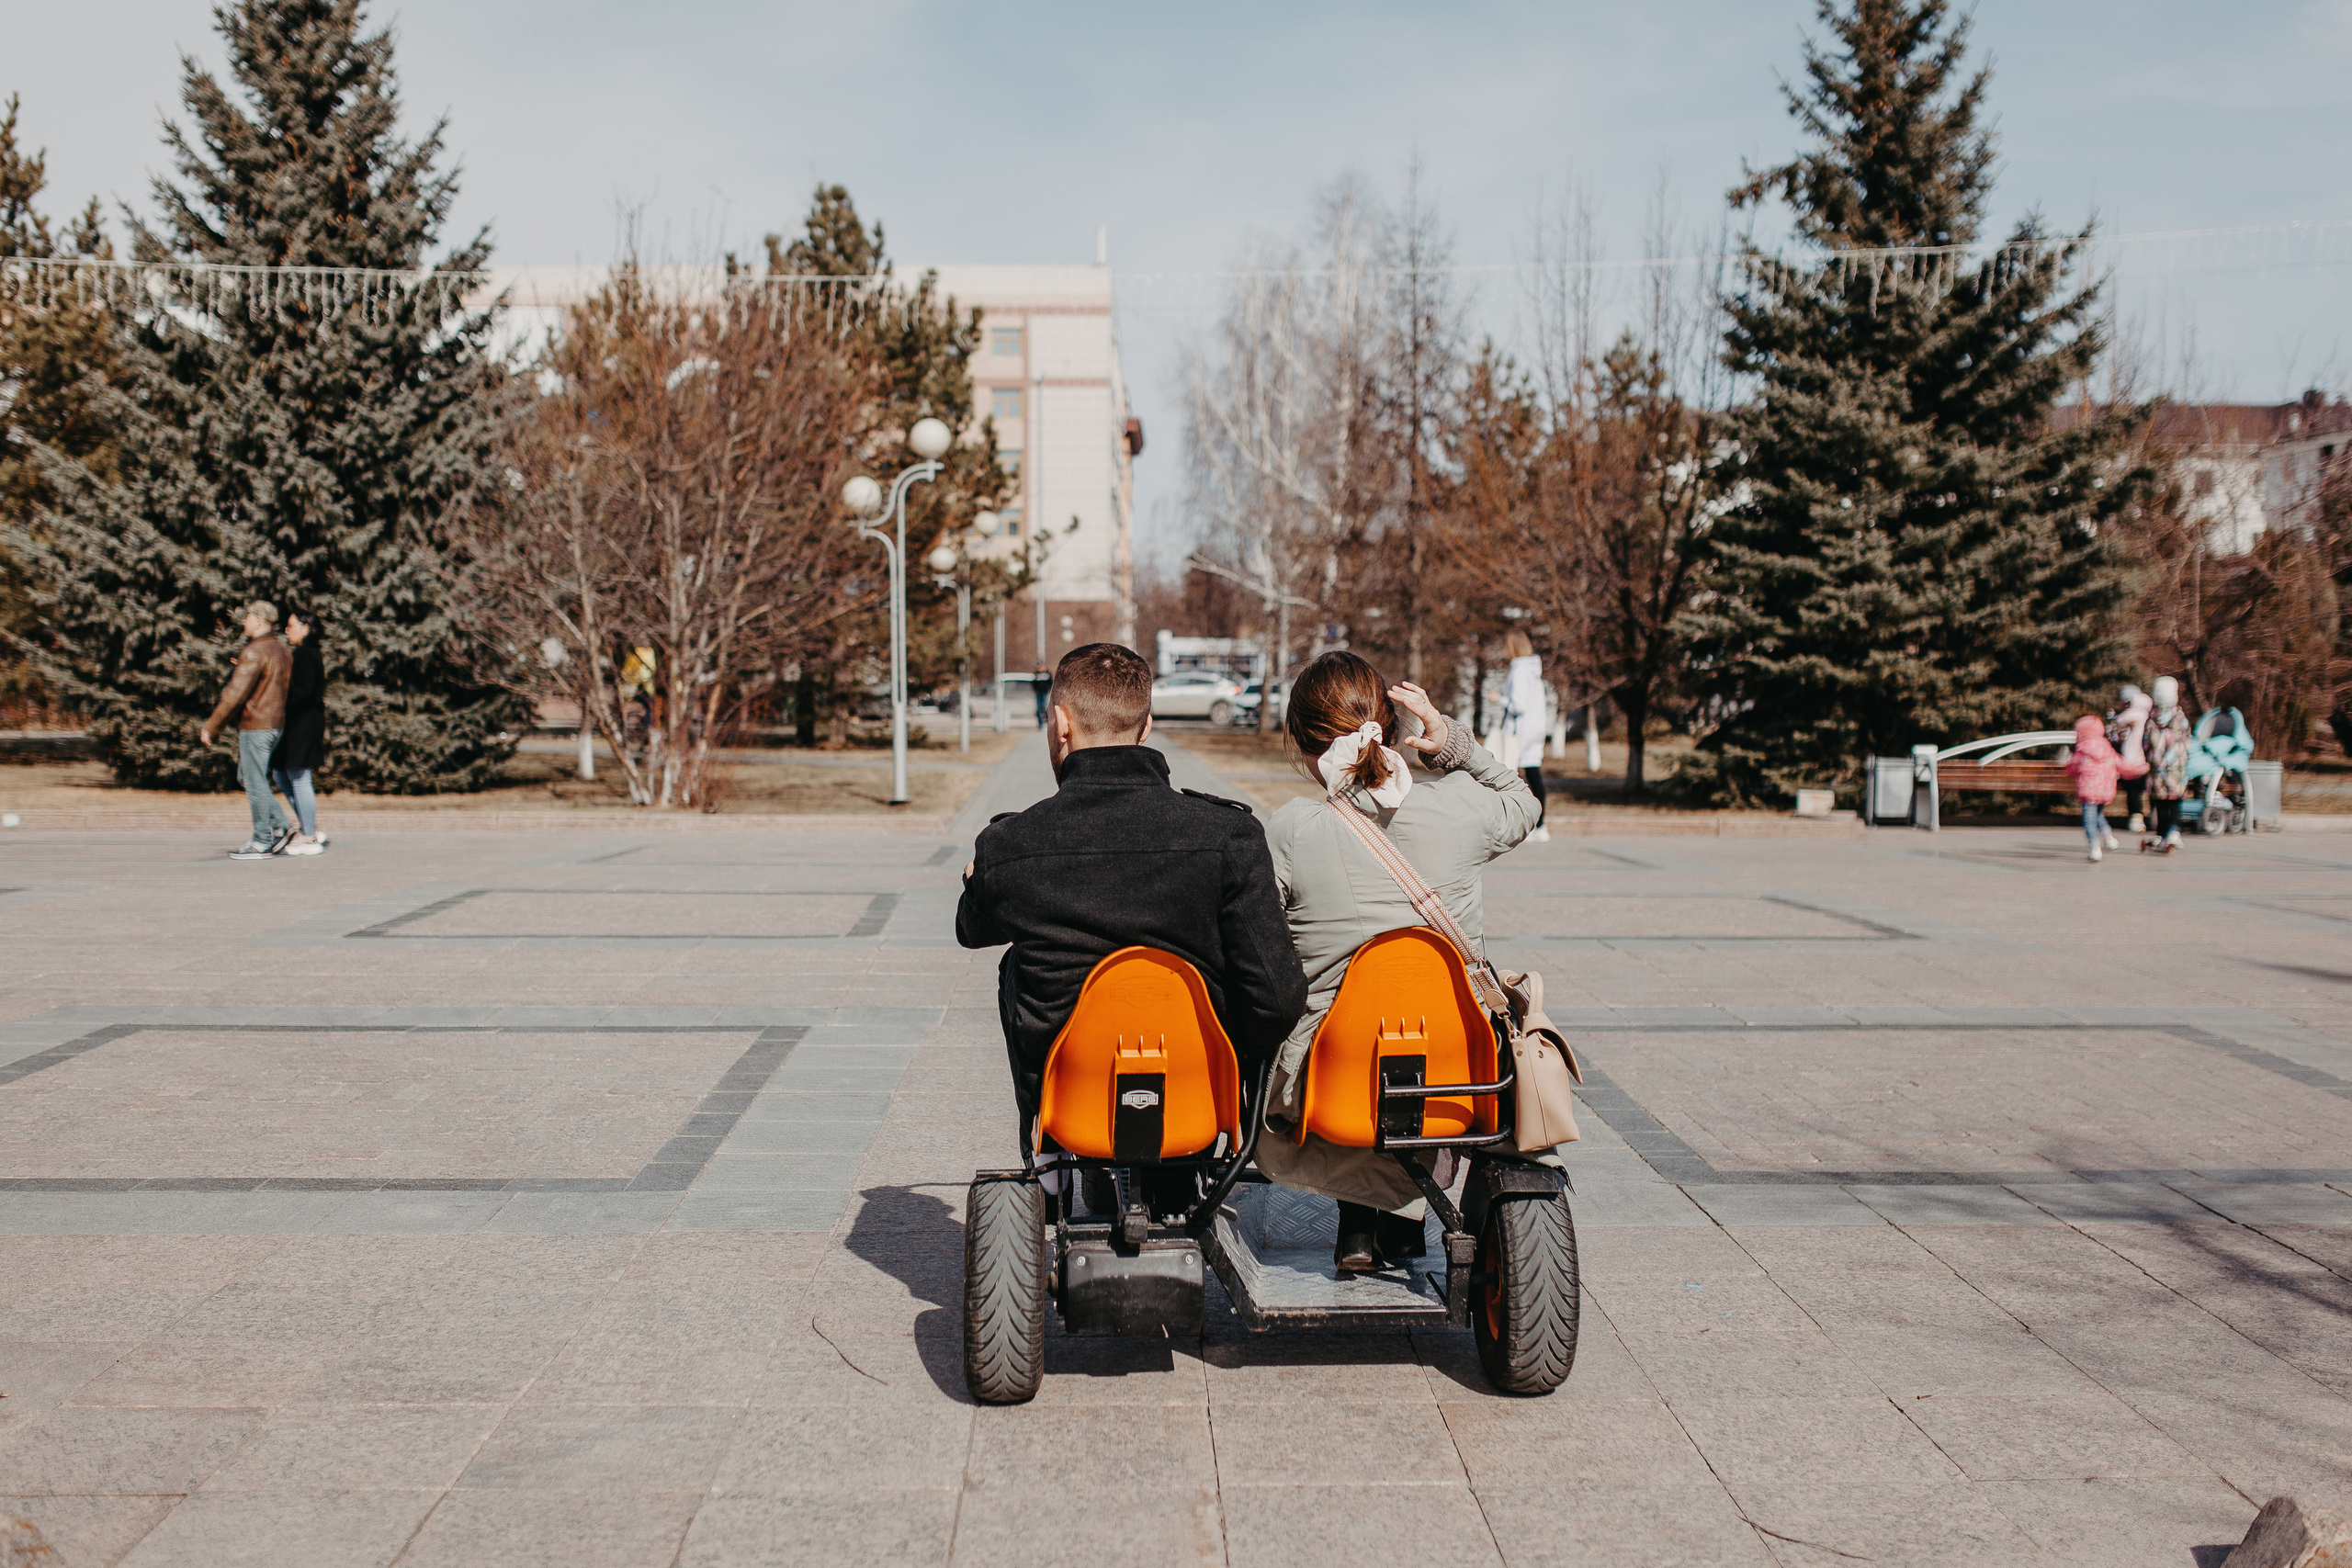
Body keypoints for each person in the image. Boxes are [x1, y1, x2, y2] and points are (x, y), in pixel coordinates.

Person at [956, 643, 1307, 1205]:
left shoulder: (1011, 842)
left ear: (1060, 723)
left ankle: (1047, 1151)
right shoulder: (1229, 835)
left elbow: (971, 930)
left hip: (1072, 1087)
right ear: (1147, 726)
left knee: (1016, 965)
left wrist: (981, 878)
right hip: (1194, 1085)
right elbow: (1278, 996)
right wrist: (1233, 1059)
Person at [1259, 650, 1539, 1272]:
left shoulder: (1291, 830)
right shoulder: (1460, 807)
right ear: (1389, 727)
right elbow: (1524, 802)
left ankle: (1362, 1223)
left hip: (1332, 1080)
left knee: (1334, 1025)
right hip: (1457, 1073)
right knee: (1412, 1029)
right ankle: (1396, 1218)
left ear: (1300, 742)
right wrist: (1451, 743)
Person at [198, 600, 294, 861]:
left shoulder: (255, 651)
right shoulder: (281, 650)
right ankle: (282, 827)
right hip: (275, 725)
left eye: (248, 617)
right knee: (249, 777)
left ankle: (262, 841)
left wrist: (211, 726)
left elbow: (235, 694)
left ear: (259, 621)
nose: (243, 621)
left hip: (257, 726)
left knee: (253, 782)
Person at [269, 607, 329, 856]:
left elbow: (302, 692)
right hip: (298, 723)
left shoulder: (305, 655)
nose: (286, 630)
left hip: (302, 723)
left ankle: (309, 836)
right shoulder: (307, 654)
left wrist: (278, 702)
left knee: (299, 776)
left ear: (306, 628)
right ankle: (309, 826)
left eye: (291, 625)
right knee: (281, 774)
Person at [1497, 629, 1551, 843]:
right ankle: (1540, 825)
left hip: (1520, 732)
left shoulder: (1519, 671)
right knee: (1534, 776)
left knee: (1507, 778)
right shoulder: (1533, 671)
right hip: (1535, 729)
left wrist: (1499, 699)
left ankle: (1517, 824)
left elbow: (1518, 705)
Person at [2141, 675, 2193, 855]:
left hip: (2158, 768)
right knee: (2175, 800)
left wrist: (2151, 756)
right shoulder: (2181, 718)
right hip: (2177, 768)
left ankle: (2162, 833)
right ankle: (2174, 831)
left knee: (2160, 801)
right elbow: (2188, 742)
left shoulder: (2151, 719)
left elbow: (2145, 743)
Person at [2064, 714, 2120, 863]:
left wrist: (2068, 769)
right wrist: (2139, 768)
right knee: (2098, 814)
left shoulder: (2082, 749)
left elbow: (2072, 766)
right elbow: (2120, 763)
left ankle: (2095, 848)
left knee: (2089, 820)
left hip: (2089, 791)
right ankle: (2109, 838)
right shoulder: (2107, 747)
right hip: (2105, 791)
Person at [2109, 684, 2152, 833]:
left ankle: (2136, 818)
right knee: (2138, 790)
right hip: (2142, 758)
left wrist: (2114, 717)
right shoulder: (2147, 711)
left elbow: (2119, 721)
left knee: (2134, 790)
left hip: (2135, 759)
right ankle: (2141, 818)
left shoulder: (2136, 712)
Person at [1031, 662, 1052, 729]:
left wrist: (1049, 689)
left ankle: (1047, 720)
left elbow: (1050, 682)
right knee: (1039, 708)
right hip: (1038, 693)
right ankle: (1040, 723)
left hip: (1045, 692)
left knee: (1045, 707)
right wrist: (1035, 689)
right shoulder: (1036, 674)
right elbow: (1033, 683)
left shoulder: (1047, 673)